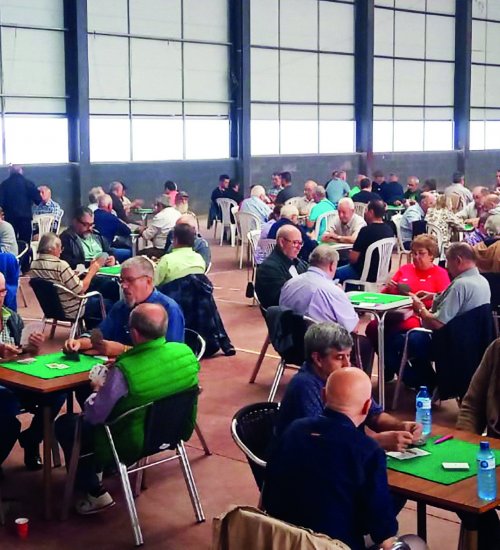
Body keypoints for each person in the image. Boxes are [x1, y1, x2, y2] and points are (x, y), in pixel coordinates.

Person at [56, 303, 200, 514]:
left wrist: (96, 389)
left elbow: (94, 416)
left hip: (129, 443)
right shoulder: (185, 353)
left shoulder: (125, 371)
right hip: (173, 433)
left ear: (133, 332)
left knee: (67, 424)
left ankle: (95, 492)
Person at [265, 366, 420, 550]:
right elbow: (382, 530)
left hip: (282, 540)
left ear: (324, 396)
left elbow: (268, 491)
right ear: (367, 406)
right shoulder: (367, 451)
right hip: (334, 545)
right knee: (416, 543)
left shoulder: (293, 430)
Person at [274, 322, 422, 446]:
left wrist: (400, 426)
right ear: (318, 359)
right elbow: (322, 441)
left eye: (348, 355)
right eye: (339, 357)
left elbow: (374, 415)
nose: (347, 364)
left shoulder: (347, 378)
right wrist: (376, 442)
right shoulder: (304, 386)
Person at [0, 272, 65, 471]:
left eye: (2, 291)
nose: (0, 296)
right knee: (8, 413)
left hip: (18, 379)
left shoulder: (11, 317)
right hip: (4, 387)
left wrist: (32, 346)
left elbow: (24, 353)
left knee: (57, 394)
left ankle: (31, 439)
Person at [365, 235, 451, 381]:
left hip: (419, 317)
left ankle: (406, 375)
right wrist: (391, 288)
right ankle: (393, 367)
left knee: (392, 338)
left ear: (431, 255)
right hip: (395, 314)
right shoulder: (405, 269)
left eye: (421, 253)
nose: (416, 257)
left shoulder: (440, 274)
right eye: (414, 253)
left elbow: (443, 301)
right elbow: (383, 295)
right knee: (372, 328)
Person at [64, 256, 185, 357]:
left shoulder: (169, 310)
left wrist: (123, 350)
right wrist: (80, 342)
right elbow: (100, 334)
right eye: (121, 280)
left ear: (148, 281)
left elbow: (170, 357)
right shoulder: (121, 306)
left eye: (130, 280)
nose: (124, 286)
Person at [408, 243, 491, 386]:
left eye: (448, 261)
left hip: (451, 344)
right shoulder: (482, 281)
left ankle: (430, 384)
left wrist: (420, 307)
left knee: (407, 340)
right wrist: (434, 296)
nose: (447, 266)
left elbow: (436, 323)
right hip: (473, 343)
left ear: (458, 260)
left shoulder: (460, 285)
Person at [456, 338, 500, 549]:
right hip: (493, 455)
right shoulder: (497, 349)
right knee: (462, 495)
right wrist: (464, 445)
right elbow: (472, 406)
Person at [30, 233, 111, 328]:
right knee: (108, 303)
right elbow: (81, 289)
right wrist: (93, 270)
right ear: (50, 249)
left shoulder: (33, 265)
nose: (61, 251)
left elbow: (53, 279)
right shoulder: (60, 265)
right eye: (59, 247)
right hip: (73, 309)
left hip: (51, 308)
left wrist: (72, 274)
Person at [279, 246, 358, 332]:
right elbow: (353, 328)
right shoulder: (334, 291)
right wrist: (344, 297)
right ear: (332, 265)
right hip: (323, 342)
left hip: (288, 340)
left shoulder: (289, 284)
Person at [335, 200, 394, 283]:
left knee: (333, 273)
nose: (364, 213)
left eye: (366, 210)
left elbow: (353, 259)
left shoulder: (365, 231)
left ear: (371, 212)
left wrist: (351, 253)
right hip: (382, 272)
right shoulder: (389, 230)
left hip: (363, 273)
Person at [255, 225, 308, 308]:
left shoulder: (301, 264)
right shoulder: (268, 269)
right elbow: (280, 300)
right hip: (285, 317)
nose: (299, 247)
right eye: (295, 243)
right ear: (282, 242)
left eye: (300, 243)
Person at [0, 164, 41, 244]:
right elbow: (38, 200)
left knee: (10, 242)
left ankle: (13, 256)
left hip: (9, 218)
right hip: (25, 218)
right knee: (25, 242)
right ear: (21, 171)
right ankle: (24, 256)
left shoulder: (4, 185)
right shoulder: (28, 183)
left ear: (10, 172)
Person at [93, 194, 132, 263]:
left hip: (93, 249)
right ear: (110, 206)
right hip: (106, 251)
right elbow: (127, 231)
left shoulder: (92, 215)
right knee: (131, 252)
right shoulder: (111, 218)